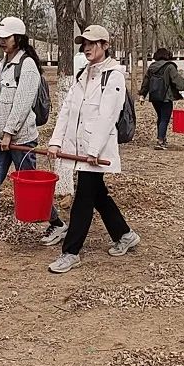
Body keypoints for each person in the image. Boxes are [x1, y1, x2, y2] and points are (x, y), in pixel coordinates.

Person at [0, 16, 67, 254]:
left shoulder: (26, 65)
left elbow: (22, 104)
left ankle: (57, 224)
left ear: (18, 38)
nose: (1, 41)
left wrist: (9, 133)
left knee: (31, 187)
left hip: (21, 140)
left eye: (6, 37)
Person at [46, 24, 139, 274]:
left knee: (84, 199)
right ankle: (125, 234)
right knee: (97, 194)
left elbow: (108, 116)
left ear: (105, 45)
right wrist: (56, 141)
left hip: (95, 152)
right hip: (79, 149)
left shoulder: (114, 77)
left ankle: (70, 252)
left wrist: (94, 151)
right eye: (83, 43)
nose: (86, 47)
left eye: (92, 43)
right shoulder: (82, 75)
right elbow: (67, 111)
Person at [140, 48, 184, 150]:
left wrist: (142, 95)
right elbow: (177, 80)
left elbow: (146, 81)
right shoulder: (169, 67)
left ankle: (162, 139)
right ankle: (160, 141)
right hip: (166, 97)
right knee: (164, 119)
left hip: (154, 97)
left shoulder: (152, 67)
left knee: (160, 117)